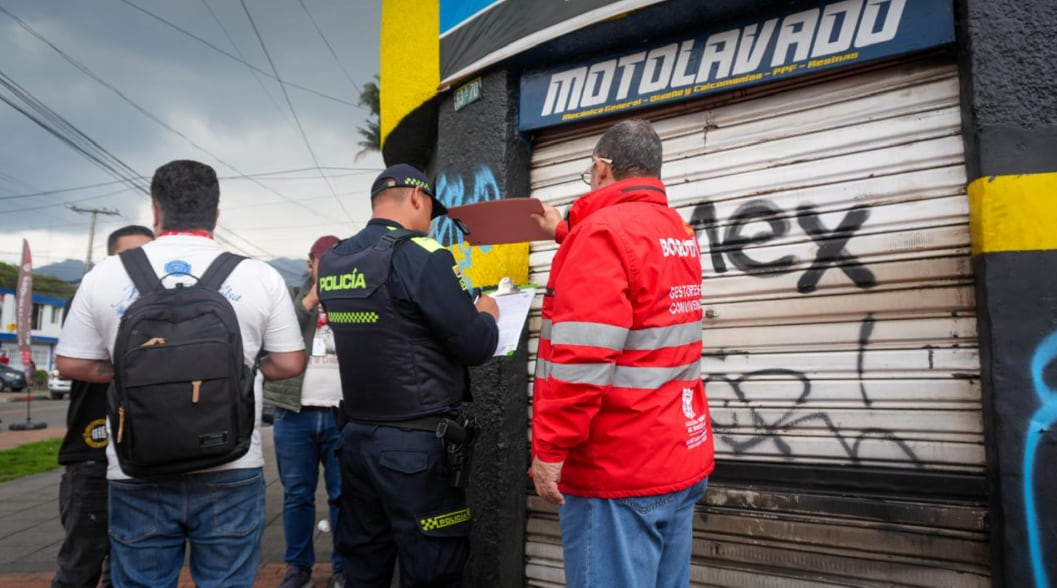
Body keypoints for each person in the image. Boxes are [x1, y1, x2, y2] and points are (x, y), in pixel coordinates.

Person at [55, 159, 307, 587]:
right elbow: (289, 362)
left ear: (156, 211)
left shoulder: (106, 275)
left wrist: (130, 375)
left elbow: (71, 363)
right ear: (216, 213)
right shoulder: (259, 276)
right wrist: (244, 371)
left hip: (137, 468)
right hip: (231, 464)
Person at [529, 119, 714, 588]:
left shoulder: (602, 235)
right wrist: (567, 232)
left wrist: (550, 451)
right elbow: (635, 279)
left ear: (601, 167)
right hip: (677, 455)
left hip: (618, 471)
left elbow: (581, 361)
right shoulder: (677, 230)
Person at [317, 164, 499, 587]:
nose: (430, 222)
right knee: (434, 569)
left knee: (364, 568)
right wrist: (487, 313)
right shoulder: (422, 254)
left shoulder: (333, 260)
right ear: (417, 198)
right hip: (415, 451)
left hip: (357, 441)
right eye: (431, 211)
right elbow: (474, 345)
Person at [52, 224, 154, 588]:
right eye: (129, 258)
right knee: (80, 565)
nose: (139, 268)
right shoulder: (86, 300)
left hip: (144, 457)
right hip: (91, 453)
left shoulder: (165, 306)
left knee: (129, 569)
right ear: (107, 261)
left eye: (147, 258)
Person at [263, 234, 346, 588]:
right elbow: (274, 340)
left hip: (343, 414)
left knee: (345, 495)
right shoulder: (290, 298)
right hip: (294, 414)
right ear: (310, 264)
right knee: (297, 495)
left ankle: (344, 566)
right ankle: (298, 567)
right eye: (321, 262)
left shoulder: (354, 298)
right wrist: (312, 298)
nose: (327, 269)